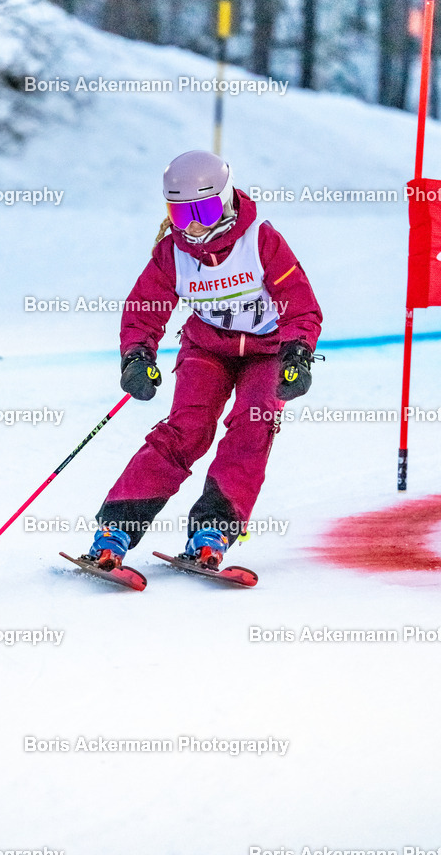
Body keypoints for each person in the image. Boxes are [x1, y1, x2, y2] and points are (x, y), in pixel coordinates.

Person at [84, 150, 322, 571]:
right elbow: (143, 310)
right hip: (207, 348)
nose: (193, 225)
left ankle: (214, 529)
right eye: (181, 214)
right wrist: (137, 356)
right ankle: (116, 530)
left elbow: (300, 306)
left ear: (225, 201)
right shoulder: (172, 254)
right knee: (186, 430)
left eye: (205, 211)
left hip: (268, 351)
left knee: (254, 423)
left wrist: (298, 354)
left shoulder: (261, 241)